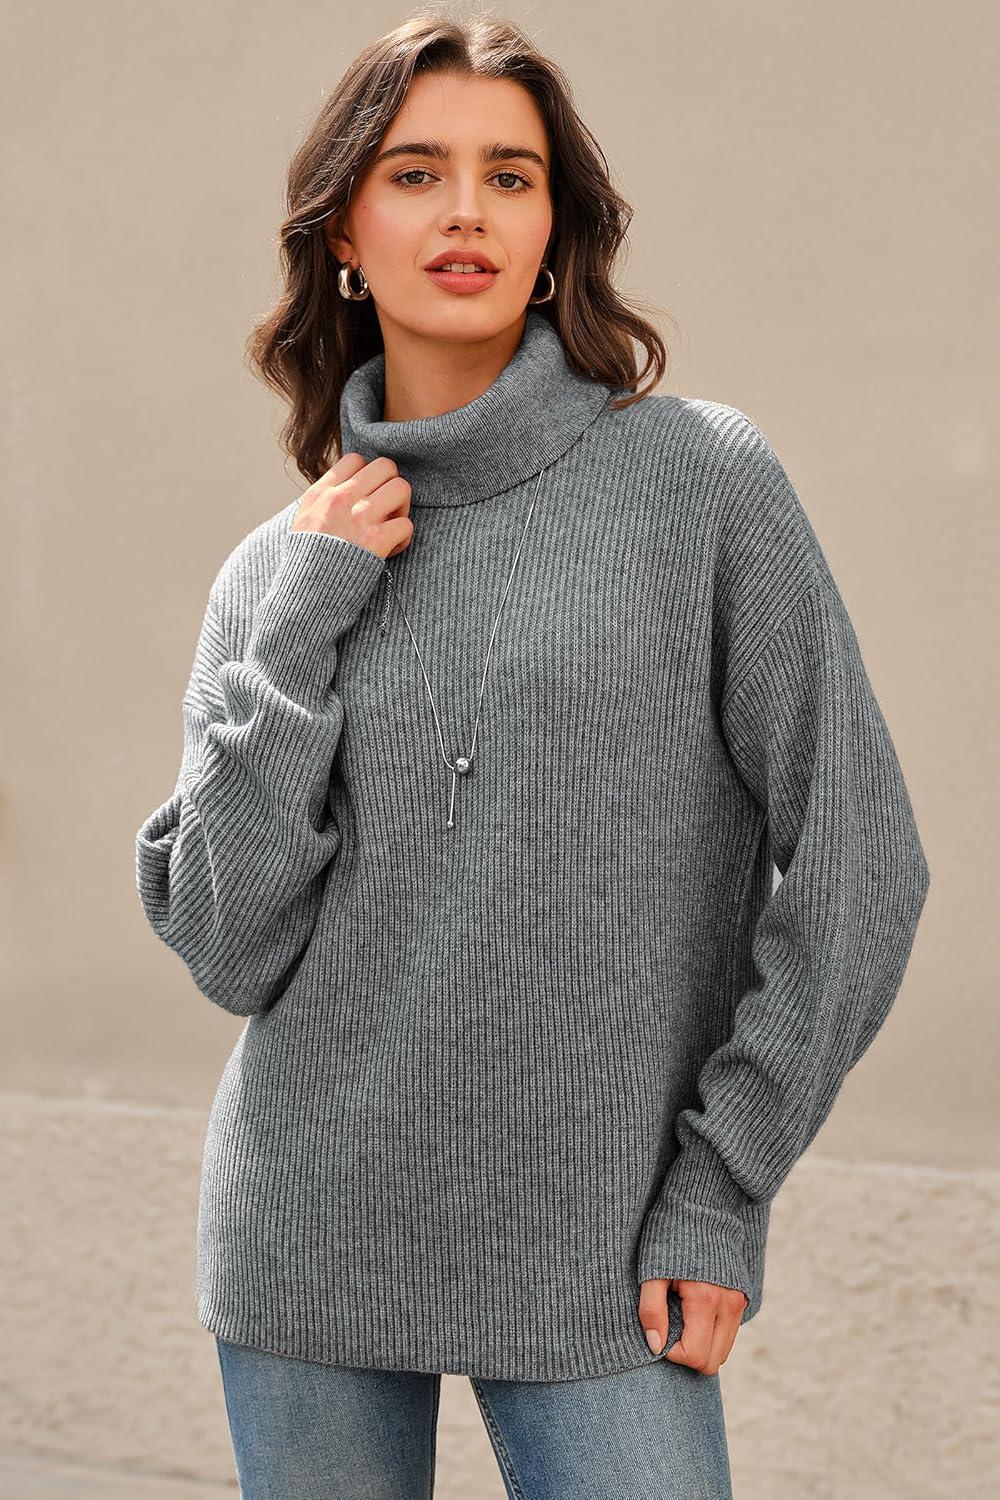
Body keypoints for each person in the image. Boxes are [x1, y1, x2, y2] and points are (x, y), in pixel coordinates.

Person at [134, 12, 930, 1499]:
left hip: (606, 1242)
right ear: (344, 235)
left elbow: (865, 861)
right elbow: (233, 949)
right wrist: (300, 623)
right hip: (309, 1234)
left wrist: (721, 1187)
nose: (467, 213)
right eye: (415, 173)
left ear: (556, 229)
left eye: (511, 177)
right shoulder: (278, 572)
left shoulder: (698, 482)